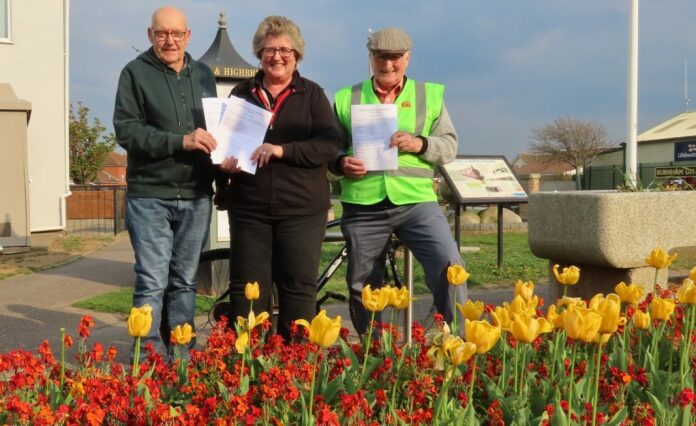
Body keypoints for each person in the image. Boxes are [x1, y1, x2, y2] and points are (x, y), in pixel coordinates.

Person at [331, 27, 467, 335]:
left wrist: (419, 144)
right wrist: (340, 164)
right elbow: (330, 150)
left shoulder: (429, 95)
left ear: (407, 59)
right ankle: (373, 356)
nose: (388, 65)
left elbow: (450, 146)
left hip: (417, 203)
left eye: (395, 58)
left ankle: (459, 345)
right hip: (363, 204)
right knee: (363, 285)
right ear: (370, 58)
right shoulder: (345, 98)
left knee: (450, 265)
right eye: (381, 57)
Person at [217, 16, 341, 341]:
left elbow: (329, 144)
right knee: (247, 290)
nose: (277, 57)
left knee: (298, 288)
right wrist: (224, 166)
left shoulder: (312, 95)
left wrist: (283, 151)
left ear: (296, 55)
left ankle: (294, 371)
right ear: (259, 53)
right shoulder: (240, 95)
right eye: (270, 49)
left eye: (285, 50)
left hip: (301, 210)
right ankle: (249, 366)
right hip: (250, 209)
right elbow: (223, 147)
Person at [113, 6, 217, 359]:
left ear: (188, 36)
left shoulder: (203, 74)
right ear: (150, 35)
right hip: (149, 196)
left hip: (195, 194)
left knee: (185, 282)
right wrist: (181, 141)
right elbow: (127, 131)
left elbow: (215, 129)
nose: (169, 40)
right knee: (152, 282)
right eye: (162, 34)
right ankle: (149, 360)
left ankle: (182, 355)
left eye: (177, 34)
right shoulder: (134, 73)